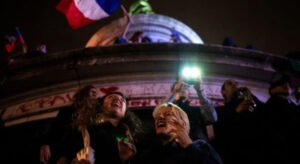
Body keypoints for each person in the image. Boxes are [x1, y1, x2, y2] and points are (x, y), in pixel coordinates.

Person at [70, 92, 143, 164]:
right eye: (111, 97)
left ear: (125, 111)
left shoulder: (132, 135)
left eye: (123, 100)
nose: (118, 99)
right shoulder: (88, 130)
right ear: (101, 106)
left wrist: (128, 159)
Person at [138, 102, 223, 164]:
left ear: (183, 123)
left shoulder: (201, 146)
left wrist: (189, 146)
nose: (159, 117)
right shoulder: (150, 154)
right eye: (157, 117)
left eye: (168, 114)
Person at [39, 85, 99, 164]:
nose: (95, 94)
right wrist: (45, 144)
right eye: (92, 91)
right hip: (68, 152)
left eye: (96, 93)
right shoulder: (68, 111)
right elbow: (55, 129)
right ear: (84, 94)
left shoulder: (96, 113)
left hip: (91, 153)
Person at [213, 80, 265, 164]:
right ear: (223, 92)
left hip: (253, 150)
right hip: (232, 153)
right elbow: (220, 131)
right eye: (230, 83)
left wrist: (248, 95)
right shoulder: (220, 111)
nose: (234, 85)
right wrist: (236, 112)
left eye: (236, 83)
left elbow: (258, 109)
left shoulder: (246, 104)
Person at [261, 74, 300, 163]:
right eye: (280, 83)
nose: (286, 85)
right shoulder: (272, 105)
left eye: (288, 84)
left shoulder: (289, 103)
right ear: (272, 90)